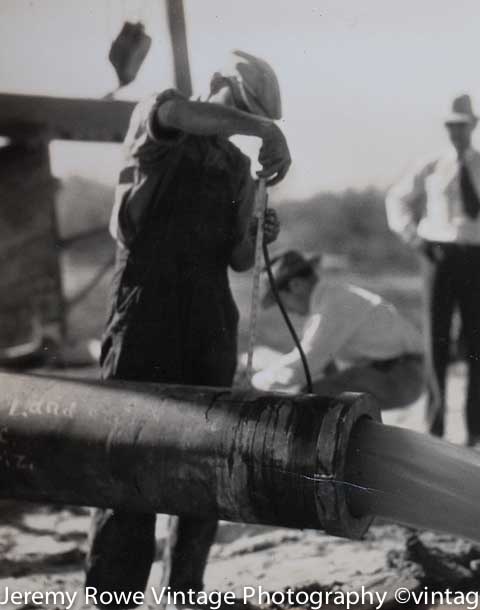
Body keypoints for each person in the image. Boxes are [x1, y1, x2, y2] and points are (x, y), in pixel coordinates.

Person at [86, 50, 290, 607]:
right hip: (146, 306)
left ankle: (184, 592)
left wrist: (257, 230)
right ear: (216, 83)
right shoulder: (163, 114)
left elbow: (239, 260)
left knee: (203, 463)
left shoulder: (233, 168)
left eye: (249, 113)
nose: (239, 121)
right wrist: (262, 128)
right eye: (238, 107)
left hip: (208, 315)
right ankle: (113, 595)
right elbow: (186, 116)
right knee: (128, 457)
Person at [385, 94, 480, 447]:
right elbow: (397, 199)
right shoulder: (431, 165)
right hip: (439, 255)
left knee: (477, 340)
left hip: (479, 256)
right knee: (436, 339)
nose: (457, 132)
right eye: (451, 126)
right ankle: (434, 429)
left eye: (462, 126)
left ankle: (477, 430)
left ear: (474, 127)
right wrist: (413, 237)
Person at [251, 250, 424, 409]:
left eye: (281, 301)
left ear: (296, 285)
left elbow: (304, 365)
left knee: (313, 395)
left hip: (402, 375)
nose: (286, 310)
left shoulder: (333, 306)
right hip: (391, 372)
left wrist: (255, 383)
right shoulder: (329, 301)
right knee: (319, 389)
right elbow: (317, 364)